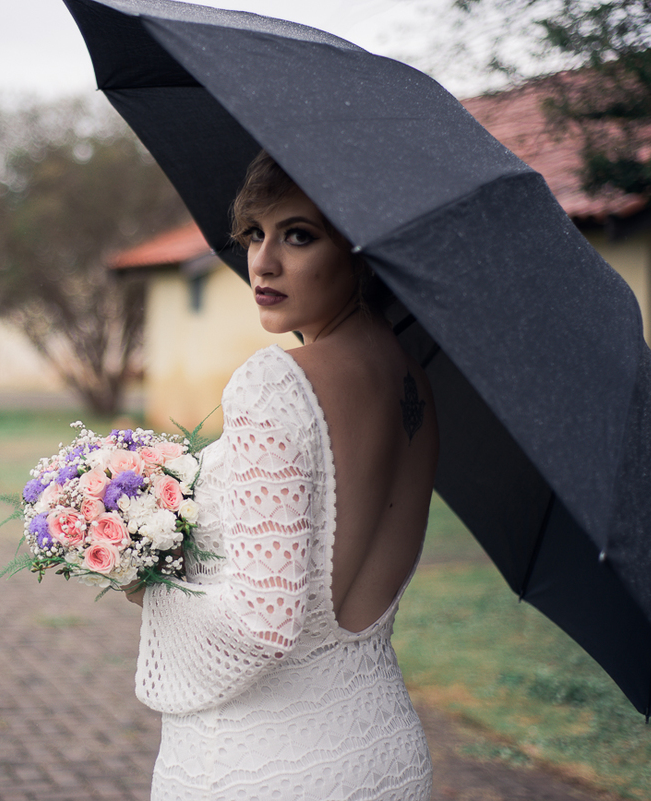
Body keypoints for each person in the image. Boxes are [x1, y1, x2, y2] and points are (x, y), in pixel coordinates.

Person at [124, 151, 439, 800]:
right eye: (255, 234)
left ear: (361, 244)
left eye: (299, 235)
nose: (262, 262)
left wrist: (146, 579)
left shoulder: (277, 382)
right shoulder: (415, 386)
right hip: (381, 752)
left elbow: (262, 622)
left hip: (259, 762)